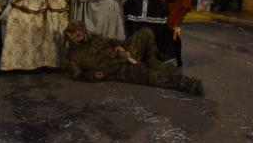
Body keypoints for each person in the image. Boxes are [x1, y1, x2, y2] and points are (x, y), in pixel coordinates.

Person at [62, 21, 203, 95]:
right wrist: (92, 75)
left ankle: (152, 60)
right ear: (69, 36)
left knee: (146, 32)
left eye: (79, 30)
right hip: (116, 69)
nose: (77, 34)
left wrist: (119, 47)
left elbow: (112, 41)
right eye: (73, 33)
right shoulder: (72, 56)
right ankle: (189, 84)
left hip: (125, 53)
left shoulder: (94, 37)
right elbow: (77, 75)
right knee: (148, 75)